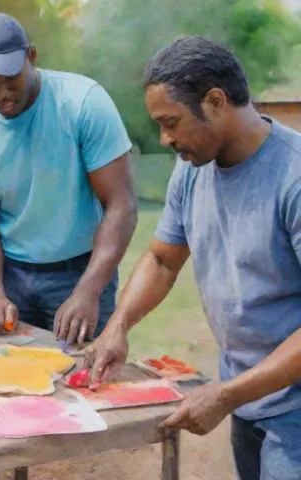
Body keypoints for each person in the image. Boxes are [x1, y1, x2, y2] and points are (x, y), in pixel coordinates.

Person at [85, 36, 301, 480]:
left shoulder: (293, 177)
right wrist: (118, 325)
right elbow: (164, 259)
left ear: (216, 101)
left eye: (171, 123)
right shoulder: (192, 169)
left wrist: (226, 395)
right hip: (246, 390)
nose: (165, 139)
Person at [0, 12, 137, 344]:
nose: (1, 95)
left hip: (80, 270)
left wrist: (88, 290)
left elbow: (120, 205)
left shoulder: (83, 103)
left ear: (31, 56)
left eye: (10, 79)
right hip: (8, 274)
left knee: (83, 383)